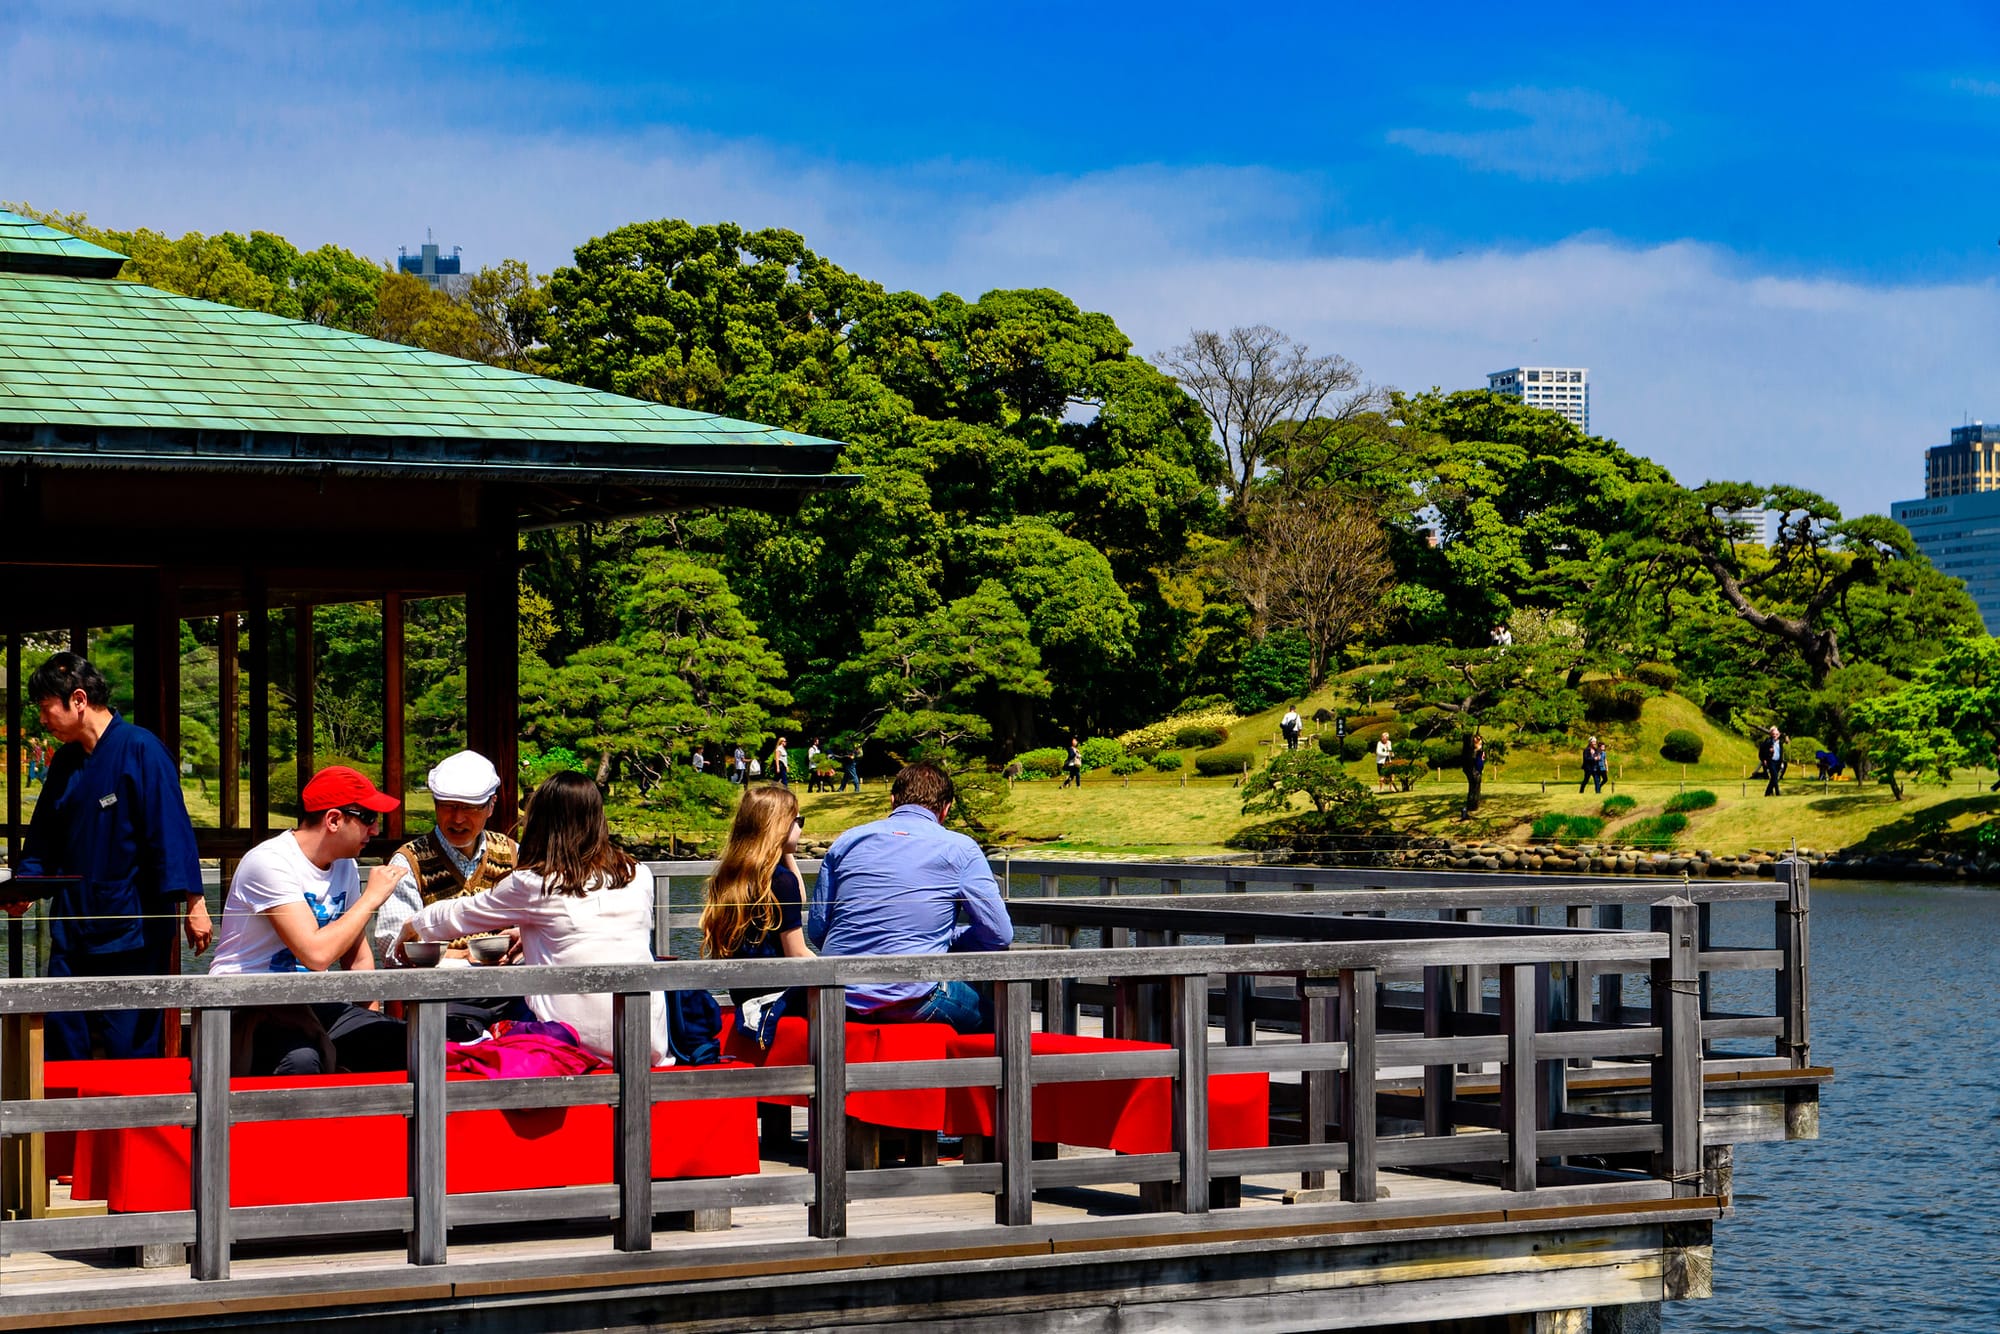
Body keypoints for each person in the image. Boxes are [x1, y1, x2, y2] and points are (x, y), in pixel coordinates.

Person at [396, 772, 670, 1067]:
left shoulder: (535, 882)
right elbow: (592, 931)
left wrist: (413, 926)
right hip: (647, 1041)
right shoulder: (638, 873)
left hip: (577, 1045)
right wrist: (526, 935)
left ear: (540, 821)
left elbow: (459, 915)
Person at [16, 653, 209, 1062]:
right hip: (72, 929)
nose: (42, 719)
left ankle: (135, 1127)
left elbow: (170, 830)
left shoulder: (141, 749)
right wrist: (25, 887)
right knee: (63, 1043)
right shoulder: (65, 761)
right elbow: (42, 837)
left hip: (132, 930)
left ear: (79, 699)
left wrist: (195, 902)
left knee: (130, 1047)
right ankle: (65, 1128)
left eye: (45, 706)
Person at [208, 766, 408, 1076]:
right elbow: (316, 954)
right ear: (333, 819)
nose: (376, 829)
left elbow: (356, 956)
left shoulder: (345, 866)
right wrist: (371, 899)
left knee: (402, 1041)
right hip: (248, 1004)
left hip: (308, 1002)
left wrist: (369, 1022)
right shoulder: (270, 862)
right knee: (301, 1060)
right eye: (368, 817)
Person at [809, 762, 1012, 1033]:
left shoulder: (847, 841)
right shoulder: (961, 849)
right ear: (946, 809)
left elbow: (818, 929)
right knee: (1007, 1020)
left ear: (893, 800)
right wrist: (949, 940)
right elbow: (999, 934)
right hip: (913, 996)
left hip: (837, 993)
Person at [372, 750, 521, 1039]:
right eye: (447, 806)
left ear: (492, 805)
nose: (458, 818)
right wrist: (464, 955)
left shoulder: (513, 853)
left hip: (510, 991)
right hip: (440, 999)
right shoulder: (409, 861)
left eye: (471, 808)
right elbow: (393, 949)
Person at [701, 785, 810, 1046]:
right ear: (779, 826)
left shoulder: (732, 877)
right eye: (798, 820)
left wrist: (783, 851)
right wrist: (839, 974)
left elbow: (799, 899)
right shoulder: (780, 882)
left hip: (745, 993)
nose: (801, 828)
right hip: (779, 994)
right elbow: (797, 953)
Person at [1460, 733, 1486, 817]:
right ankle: (1470, 807)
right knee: (1473, 789)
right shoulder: (1472, 752)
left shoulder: (1479, 752)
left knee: (1474, 789)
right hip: (1473, 772)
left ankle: (1472, 806)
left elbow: (1480, 763)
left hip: (1476, 771)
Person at [1762, 726, 1786, 797]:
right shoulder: (1768, 741)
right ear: (1771, 734)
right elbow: (1762, 751)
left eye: (1776, 734)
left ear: (1778, 734)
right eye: (1773, 734)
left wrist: (1781, 762)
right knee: (1775, 776)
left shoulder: (1780, 742)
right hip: (1771, 761)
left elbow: (1781, 752)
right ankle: (1777, 793)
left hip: (1778, 761)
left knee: (1774, 778)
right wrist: (1767, 755)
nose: (1775, 736)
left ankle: (1768, 793)